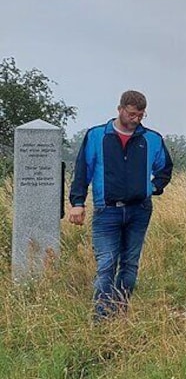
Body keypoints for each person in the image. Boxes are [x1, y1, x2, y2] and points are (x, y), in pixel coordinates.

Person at [68, 90, 173, 319]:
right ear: (120, 109)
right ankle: (102, 319)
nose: (136, 119)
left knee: (130, 265)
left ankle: (120, 312)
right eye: (132, 114)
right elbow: (82, 170)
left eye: (141, 115)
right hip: (107, 211)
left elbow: (165, 169)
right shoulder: (97, 136)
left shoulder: (152, 139)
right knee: (106, 264)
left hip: (139, 210)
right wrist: (78, 202)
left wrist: (152, 188)